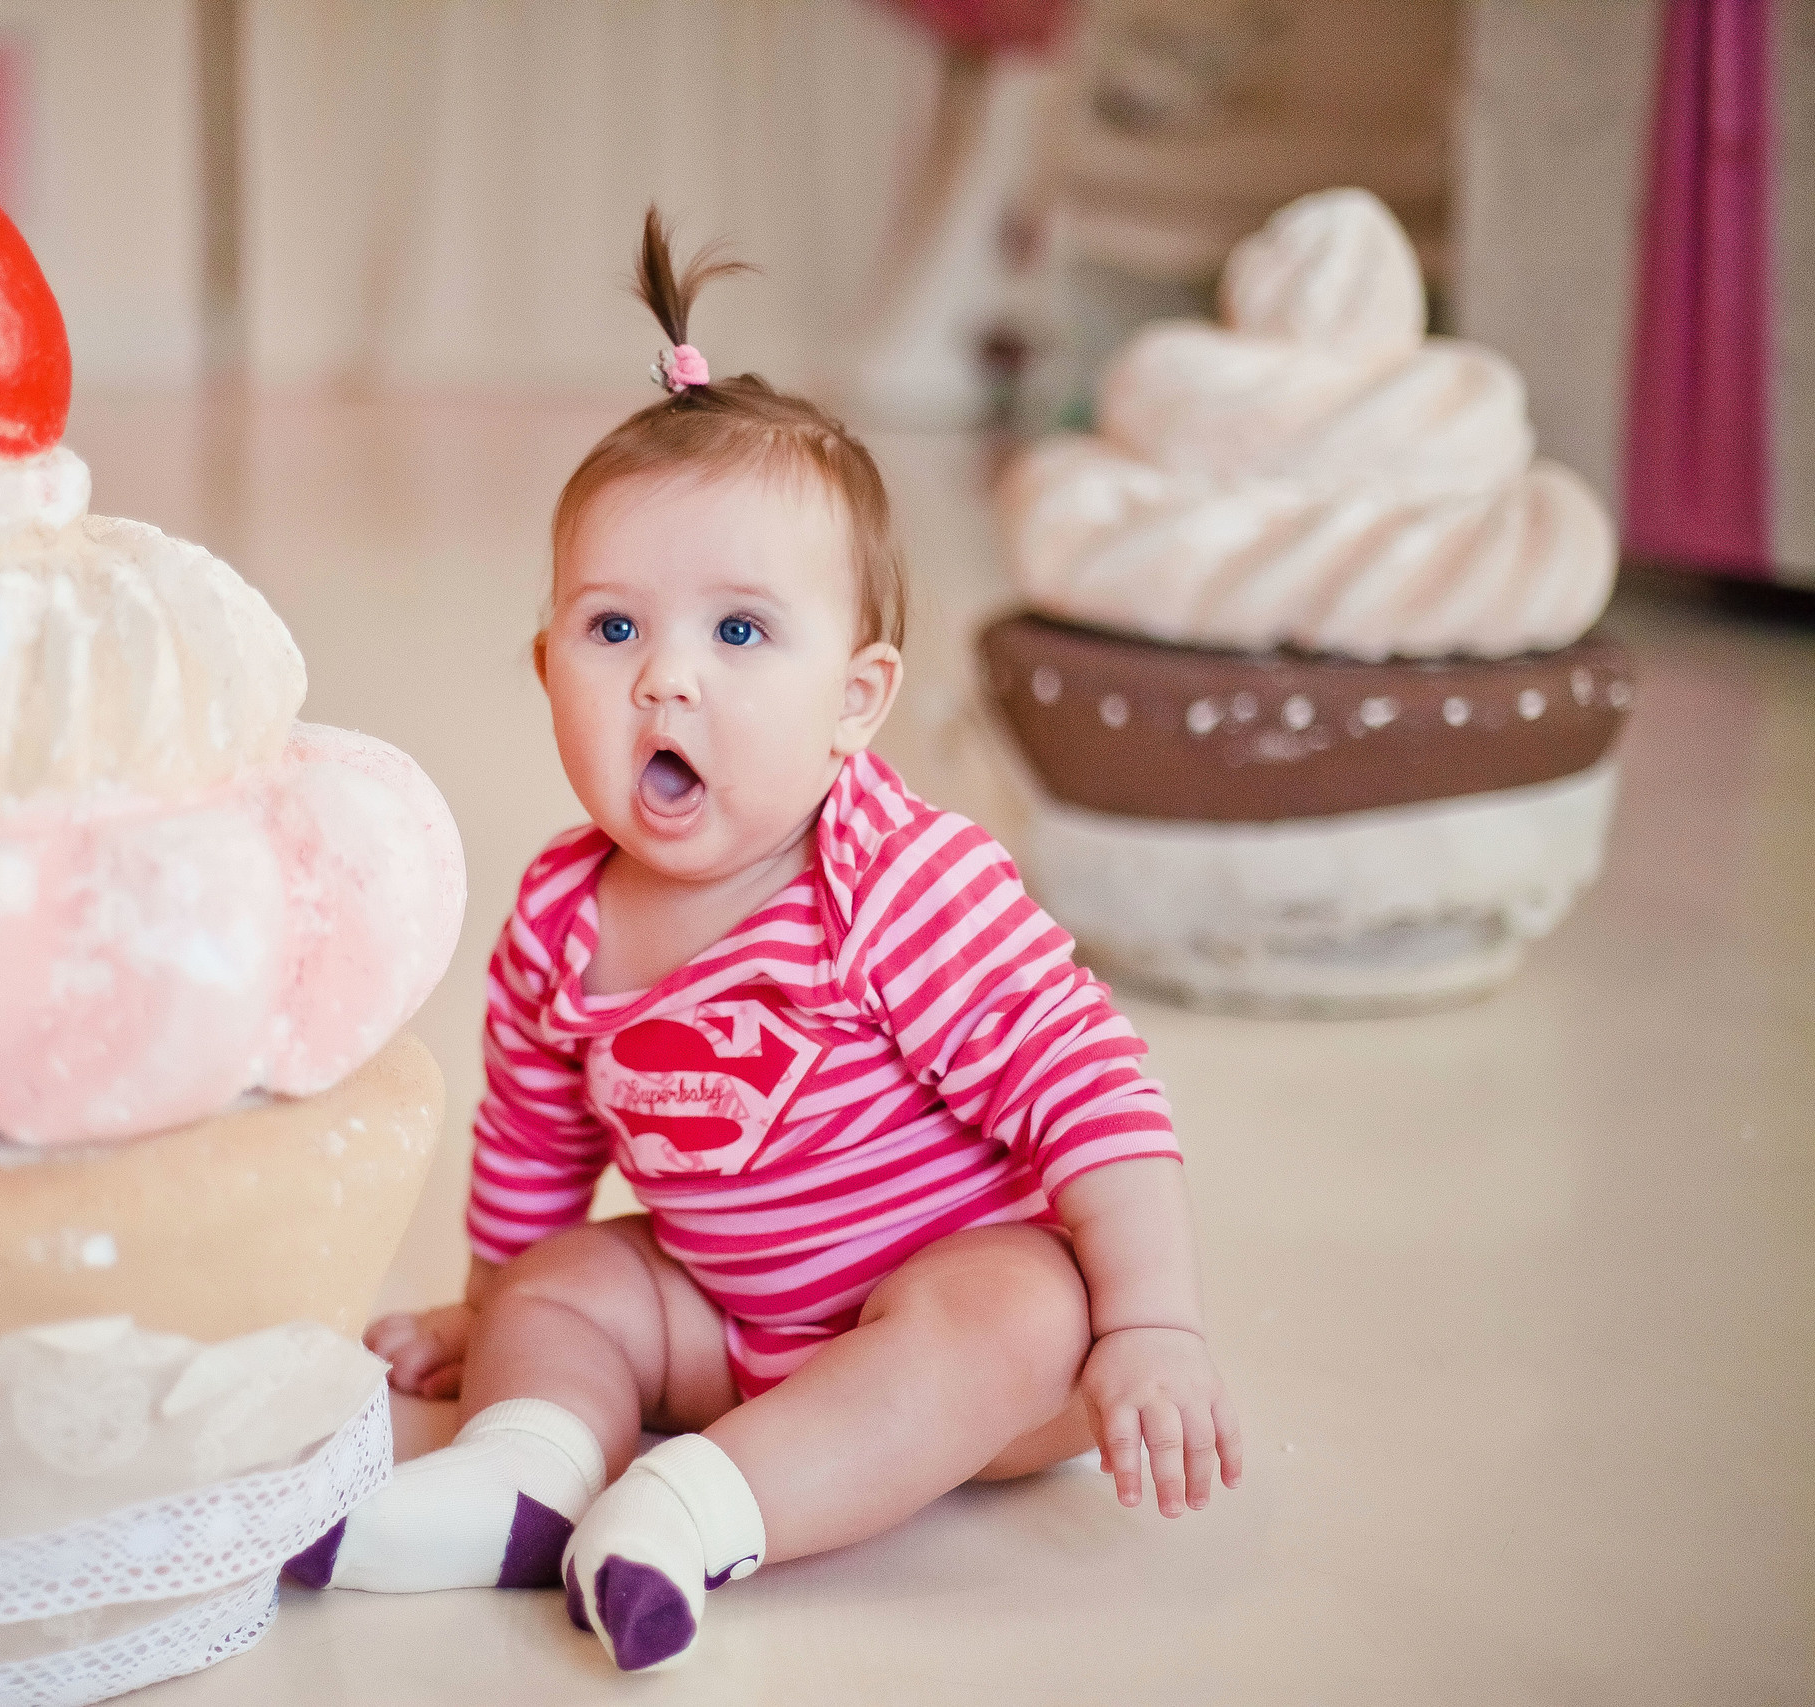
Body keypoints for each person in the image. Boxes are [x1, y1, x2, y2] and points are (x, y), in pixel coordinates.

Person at [288, 208, 1243, 1673]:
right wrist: (495, 1317)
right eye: (613, 633)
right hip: (727, 1315)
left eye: (739, 636)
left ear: (856, 698)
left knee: (1019, 1306)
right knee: (568, 1283)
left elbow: (1088, 1087)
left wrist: (1155, 1328)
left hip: (947, 1321)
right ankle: (522, 1478)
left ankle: (696, 1506)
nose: (666, 681)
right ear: (547, 668)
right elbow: (535, 1149)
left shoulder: (891, 880)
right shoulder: (560, 915)